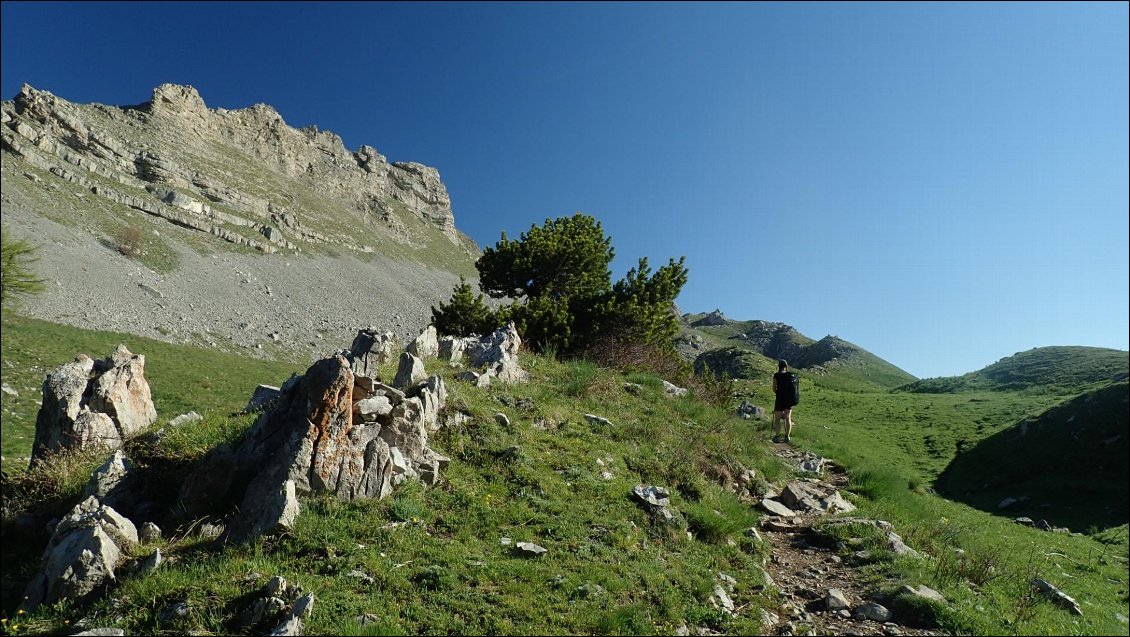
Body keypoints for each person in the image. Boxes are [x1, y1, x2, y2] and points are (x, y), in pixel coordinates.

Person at [772, 359, 797, 443]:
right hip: (789, 400)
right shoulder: (791, 375)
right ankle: (787, 436)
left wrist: (778, 393)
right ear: (786, 366)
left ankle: (777, 436)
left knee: (777, 419)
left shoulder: (776, 375)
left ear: (779, 366)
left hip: (780, 399)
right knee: (788, 418)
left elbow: (774, 388)